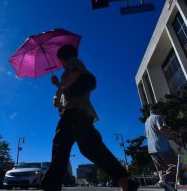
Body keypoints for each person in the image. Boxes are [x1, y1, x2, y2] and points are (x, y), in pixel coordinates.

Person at [40, 44, 138, 191]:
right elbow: (64, 101)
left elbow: (72, 78)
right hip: (80, 115)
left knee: (60, 146)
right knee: (91, 148)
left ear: (62, 58)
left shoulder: (74, 63)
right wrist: (58, 99)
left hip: (75, 115)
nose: (60, 63)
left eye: (59, 59)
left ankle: (50, 186)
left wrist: (58, 86)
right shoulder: (67, 73)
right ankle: (124, 180)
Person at [145, 104, 179, 191]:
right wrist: (174, 138)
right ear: (157, 110)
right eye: (160, 110)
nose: (161, 112)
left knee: (162, 170)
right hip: (162, 146)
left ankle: (167, 186)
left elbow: (147, 135)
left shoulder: (147, 121)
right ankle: (165, 180)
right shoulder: (158, 117)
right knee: (174, 165)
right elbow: (161, 129)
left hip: (151, 149)